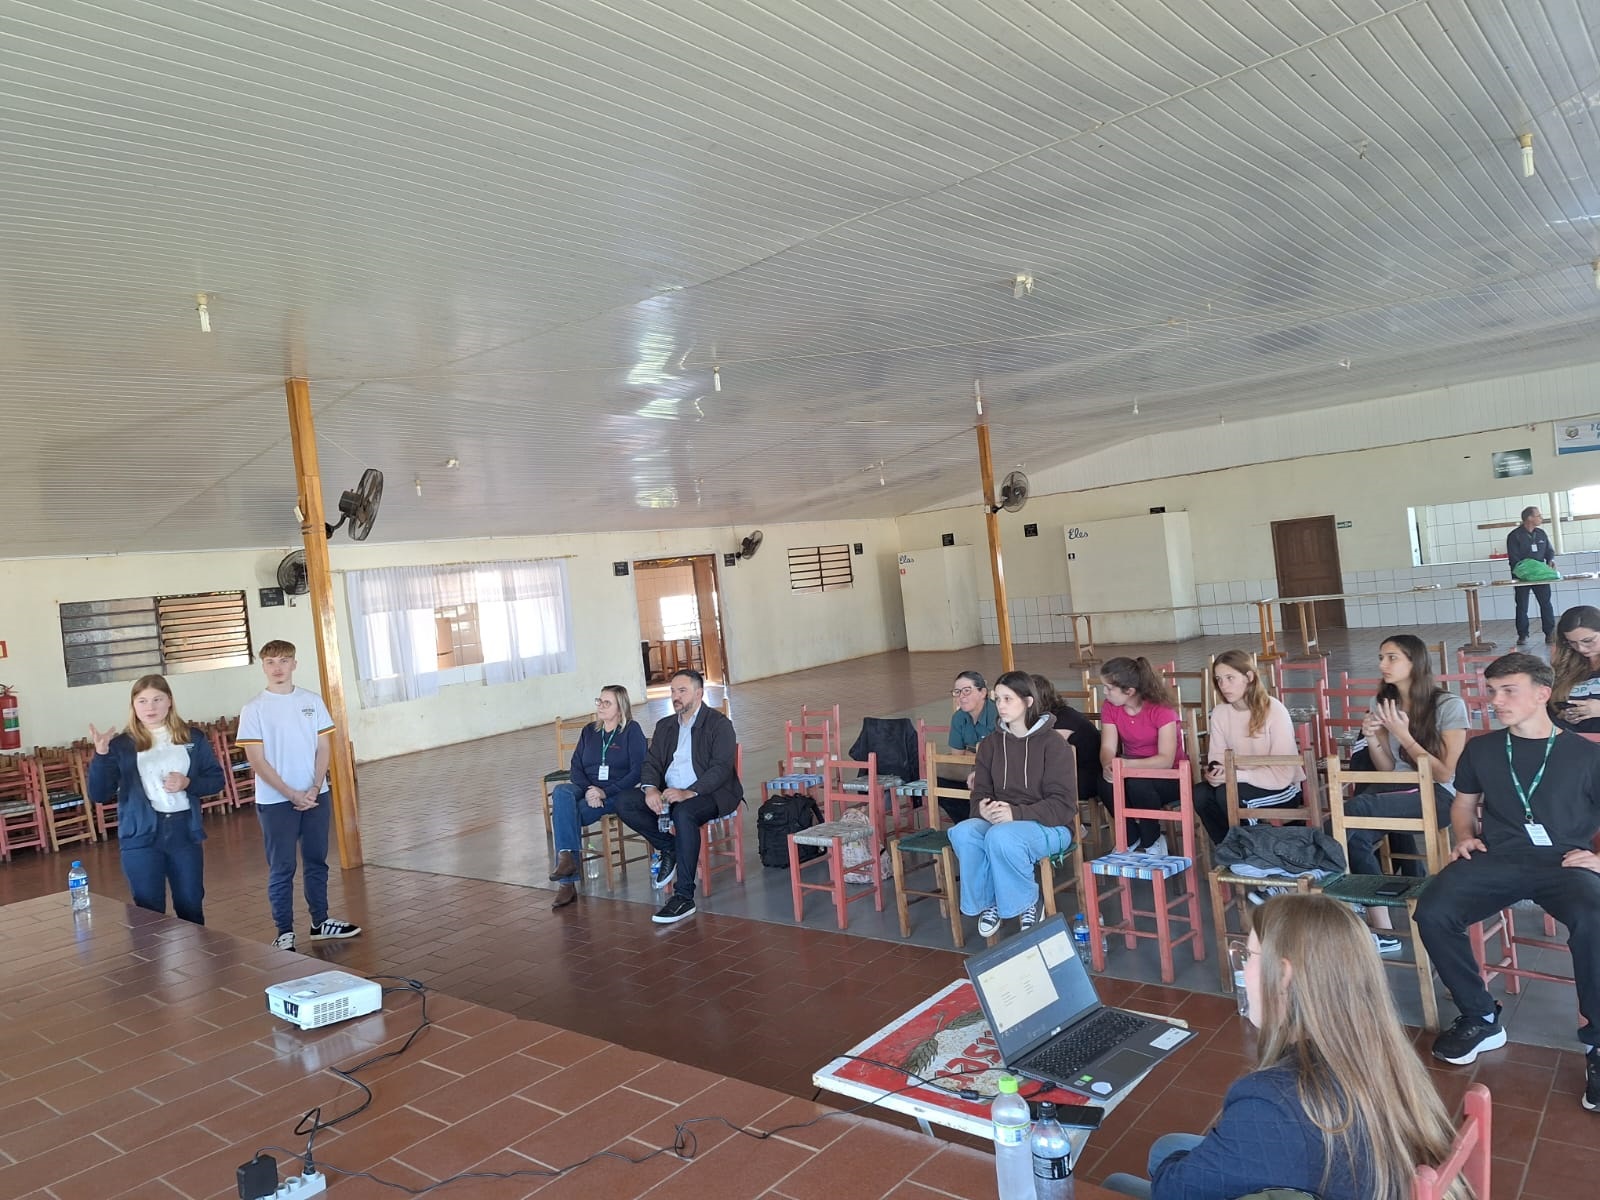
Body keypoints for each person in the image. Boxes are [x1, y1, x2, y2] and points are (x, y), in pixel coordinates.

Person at [1102, 894, 1470, 1200]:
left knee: (1117, 1183)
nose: (1242, 971)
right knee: (1166, 1148)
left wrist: (1190, 1162)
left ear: (1284, 975)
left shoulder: (1272, 1101)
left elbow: (1173, 1190)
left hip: (1313, 1163)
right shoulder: (1379, 1051)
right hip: (1362, 1176)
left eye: (1247, 957)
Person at [1414, 653, 1600, 1113]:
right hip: (1497, 857)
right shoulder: (1483, 749)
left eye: (1508, 690)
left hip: (1565, 863)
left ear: (1542, 694)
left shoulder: (1586, 755)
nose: (1495, 700)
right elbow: (1463, 804)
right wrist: (1464, 837)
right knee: (1434, 910)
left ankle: (1598, 1042)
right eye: (1492, 691)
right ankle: (1480, 1016)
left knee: (1595, 919)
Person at [1343, 634, 1467, 952]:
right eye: (1381, 657)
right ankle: (1384, 930)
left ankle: (1302, 869)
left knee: (1351, 812)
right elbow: (1387, 768)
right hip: (1396, 787)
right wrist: (1373, 737)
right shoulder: (1383, 703)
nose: (1383, 664)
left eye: (1392, 657)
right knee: (1352, 834)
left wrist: (1403, 733)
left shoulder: (1448, 705)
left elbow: (1445, 773)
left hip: (1438, 795)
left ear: (1415, 662)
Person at [237, 640, 362, 951]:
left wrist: (315, 787)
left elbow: (324, 748)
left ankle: (320, 922)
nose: (277, 668)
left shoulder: (311, 701)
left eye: (284, 660)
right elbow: (257, 760)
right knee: (282, 867)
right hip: (276, 801)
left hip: (315, 795)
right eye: (270, 662)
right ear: (263, 667)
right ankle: (284, 932)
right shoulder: (254, 708)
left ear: (294, 664)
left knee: (317, 861)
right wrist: (290, 793)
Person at [86, 674, 225, 925]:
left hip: (184, 831)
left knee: (190, 904)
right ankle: (151, 953)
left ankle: (195, 951)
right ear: (133, 705)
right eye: (142, 701)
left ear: (169, 701)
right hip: (140, 835)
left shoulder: (192, 737)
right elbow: (100, 794)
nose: (150, 707)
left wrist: (187, 783)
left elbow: (216, 780)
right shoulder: (121, 745)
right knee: (148, 911)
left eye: (157, 699)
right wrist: (102, 755)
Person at [949, 671, 1077, 938]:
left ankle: (1028, 901)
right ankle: (991, 901)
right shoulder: (990, 744)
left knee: (1001, 836)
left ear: (1028, 702)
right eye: (998, 699)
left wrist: (1016, 813)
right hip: (1002, 821)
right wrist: (982, 808)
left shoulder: (1053, 744)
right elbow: (980, 793)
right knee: (964, 832)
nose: (1001, 705)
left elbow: (1063, 805)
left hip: (1051, 825)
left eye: (1008, 699)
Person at [614, 669, 743, 925]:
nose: (676, 696)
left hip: (709, 793)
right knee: (624, 802)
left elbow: (720, 769)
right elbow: (651, 762)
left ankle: (684, 896)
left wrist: (689, 792)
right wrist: (651, 789)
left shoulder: (719, 725)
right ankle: (669, 847)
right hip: (669, 791)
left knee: (684, 813)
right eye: (673, 691)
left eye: (682, 691)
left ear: (699, 693)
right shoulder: (665, 726)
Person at [547, 685, 648, 910]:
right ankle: (567, 860)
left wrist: (605, 792)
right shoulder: (590, 731)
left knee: (568, 814)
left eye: (606, 703)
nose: (600, 706)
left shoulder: (631, 731)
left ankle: (567, 882)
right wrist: (590, 789)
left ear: (620, 708)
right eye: (599, 701)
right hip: (586, 788)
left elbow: (638, 772)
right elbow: (575, 767)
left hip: (616, 792)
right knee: (561, 792)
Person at [1192, 651, 1302, 846]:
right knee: (1201, 793)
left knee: (1228, 795)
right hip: (1237, 781)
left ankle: (1252, 850)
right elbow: (1217, 756)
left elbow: (1283, 771)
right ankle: (1229, 848)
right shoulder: (1220, 713)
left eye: (1230, 678)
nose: (1223, 685)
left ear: (1249, 677)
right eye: (1219, 679)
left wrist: (1236, 776)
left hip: (1281, 786)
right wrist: (1216, 773)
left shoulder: (1274, 710)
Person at [1099, 656, 1187, 854]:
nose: (1105, 692)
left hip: (1171, 776)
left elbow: (1165, 760)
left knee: (1138, 784)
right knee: (1105, 782)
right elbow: (1107, 747)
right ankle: (1129, 837)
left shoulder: (1161, 710)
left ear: (1129, 691)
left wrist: (1125, 766)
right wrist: (1108, 765)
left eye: (1109, 688)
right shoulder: (1110, 707)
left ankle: (1152, 839)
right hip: (1132, 769)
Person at [1030, 673, 1102, 810]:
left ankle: (1058, 821)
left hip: (1086, 778)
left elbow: (1044, 755)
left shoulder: (1063, 719)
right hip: (1069, 775)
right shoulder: (1048, 717)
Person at [938, 670, 997, 823]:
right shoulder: (958, 718)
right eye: (957, 692)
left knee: (986, 778)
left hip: (996, 769)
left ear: (983, 692)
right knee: (940, 782)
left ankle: (986, 821)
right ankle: (968, 822)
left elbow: (999, 754)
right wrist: (979, 753)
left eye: (967, 691)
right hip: (970, 768)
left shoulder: (997, 714)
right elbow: (957, 757)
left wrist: (975, 754)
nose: (961, 696)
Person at [1507, 504, 1557, 647]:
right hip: (1521, 576)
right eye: (1538, 515)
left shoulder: (1541, 533)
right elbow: (1514, 559)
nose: (1541, 518)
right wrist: (1527, 570)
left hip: (1540, 576)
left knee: (1545, 603)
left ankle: (1549, 633)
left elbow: (1549, 551)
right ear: (1529, 518)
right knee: (1522, 605)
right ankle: (1522, 635)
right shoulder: (1514, 536)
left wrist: (1550, 560)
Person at [1550, 604, 1600, 734]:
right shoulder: (1567, 664)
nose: (1581, 648)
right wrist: (1564, 715)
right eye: (1572, 642)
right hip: (1573, 736)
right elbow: (1553, 707)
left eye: (1588, 640)